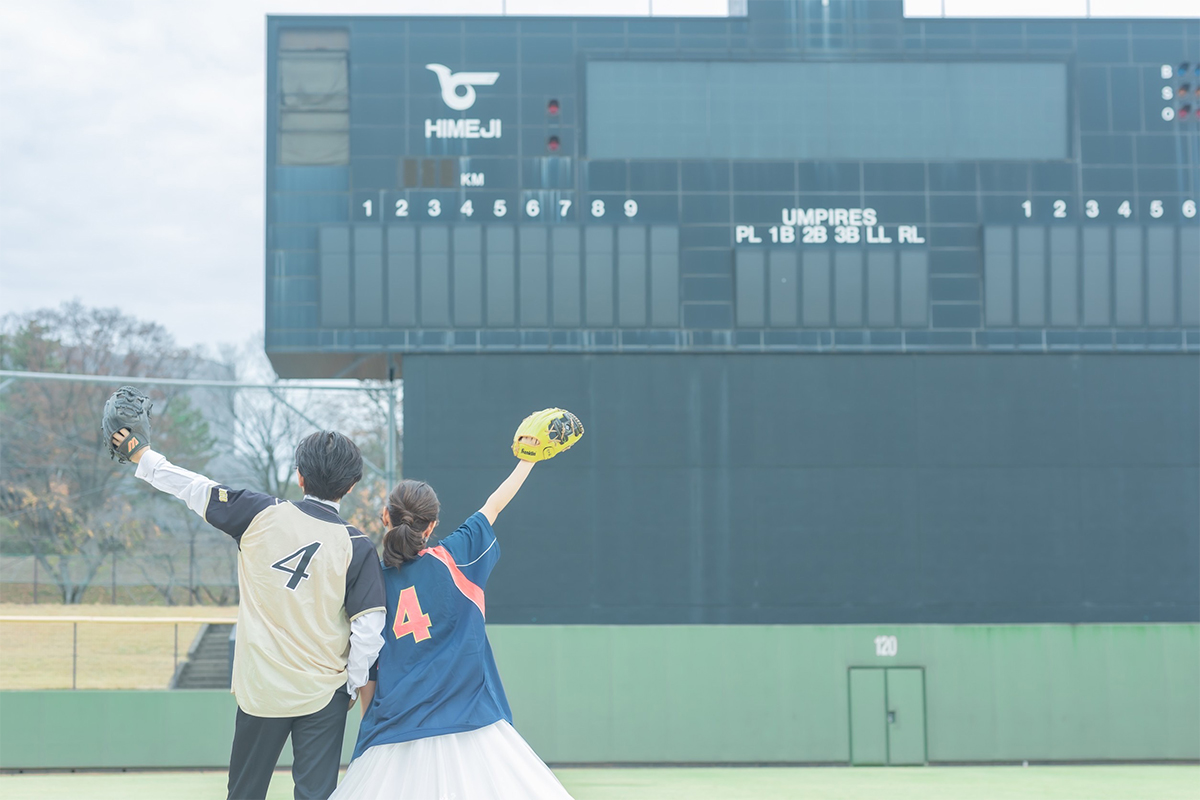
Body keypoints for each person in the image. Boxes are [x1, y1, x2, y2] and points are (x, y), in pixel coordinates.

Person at [111, 422, 386, 800]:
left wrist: (141, 454)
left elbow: (193, 487)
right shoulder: (357, 544)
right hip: (324, 693)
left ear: (300, 477)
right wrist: (352, 684)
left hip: (262, 687)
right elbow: (369, 627)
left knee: (245, 793)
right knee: (316, 795)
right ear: (352, 486)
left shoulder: (260, 512)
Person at [331, 410, 583, 800]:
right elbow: (493, 506)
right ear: (431, 526)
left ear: (384, 517)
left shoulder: (371, 581)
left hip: (395, 731)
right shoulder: (456, 558)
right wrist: (527, 460)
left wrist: (372, 727)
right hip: (473, 728)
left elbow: (369, 670)